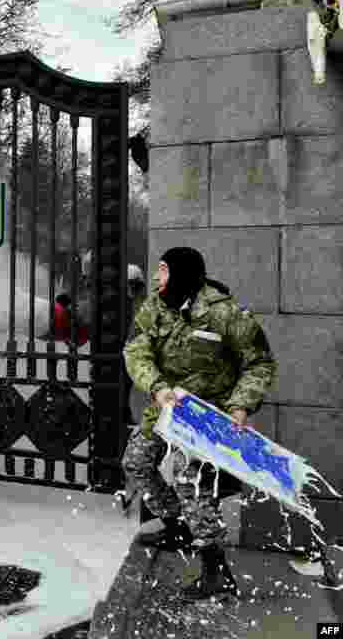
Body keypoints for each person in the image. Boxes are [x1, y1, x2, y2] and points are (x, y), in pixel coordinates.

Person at [122, 247, 277, 602]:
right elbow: (136, 351)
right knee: (136, 462)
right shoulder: (154, 307)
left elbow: (259, 363)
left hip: (208, 417)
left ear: (182, 273)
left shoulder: (225, 313)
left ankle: (215, 572)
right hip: (166, 409)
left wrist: (240, 405)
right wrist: (158, 387)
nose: (157, 277)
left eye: (163, 270)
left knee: (188, 481)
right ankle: (176, 524)